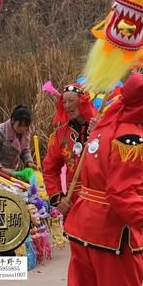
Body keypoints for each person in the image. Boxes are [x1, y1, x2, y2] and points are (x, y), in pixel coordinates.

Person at [63, 73, 143, 286]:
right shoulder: (131, 139)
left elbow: (103, 174)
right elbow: (119, 192)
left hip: (83, 227)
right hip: (112, 233)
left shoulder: (103, 127)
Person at [43, 84, 96, 217]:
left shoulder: (103, 126)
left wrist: (101, 131)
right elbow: (50, 169)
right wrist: (58, 198)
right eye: (64, 101)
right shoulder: (60, 135)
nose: (66, 105)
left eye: (71, 100)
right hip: (73, 204)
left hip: (100, 202)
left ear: (83, 101)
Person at [0, 105, 37, 175]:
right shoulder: (0, 132)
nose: (22, 129)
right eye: (20, 125)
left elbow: (24, 149)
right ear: (13, 120)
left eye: (25, 126)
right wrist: (2, 169)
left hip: (11, 173)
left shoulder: (26, 132)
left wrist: (29, 162)